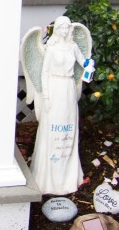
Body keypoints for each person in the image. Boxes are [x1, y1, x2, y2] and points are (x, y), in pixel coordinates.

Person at [30, 16, 88, 195]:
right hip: (54, 87)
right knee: (53, 125)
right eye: (62, 28)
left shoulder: (72, 47)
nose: (65, 31)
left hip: (68, 86)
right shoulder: (52, 49)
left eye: (67, 28)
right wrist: (46, 96)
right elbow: (45, 73)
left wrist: (89, 65)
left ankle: (67, 173)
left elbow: (83, 62)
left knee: (67, 125)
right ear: (57, 30)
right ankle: (49, 176)